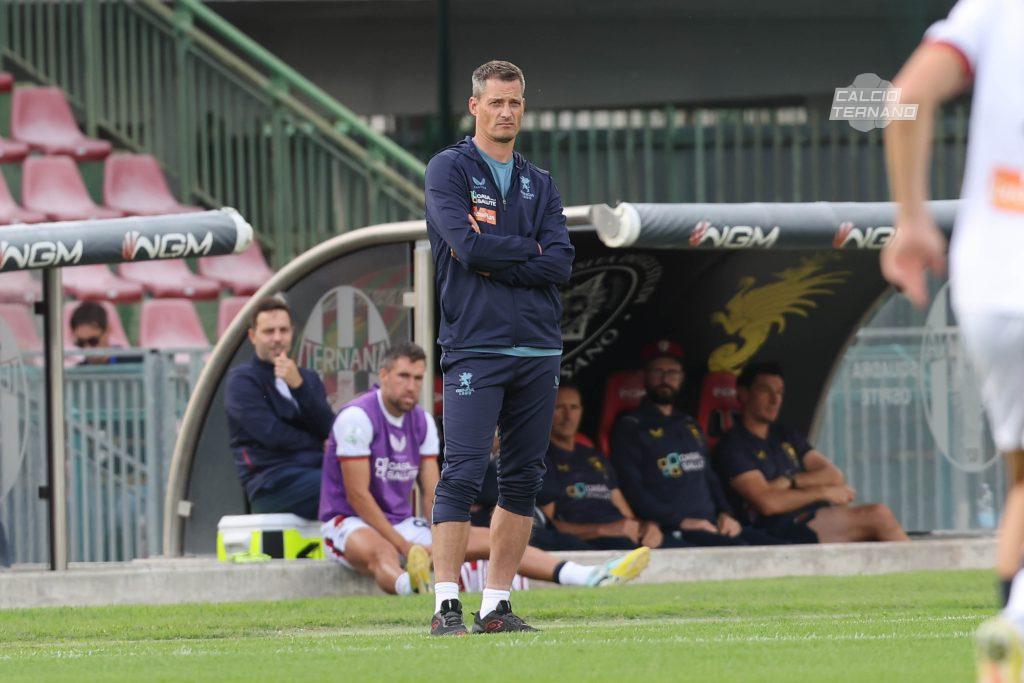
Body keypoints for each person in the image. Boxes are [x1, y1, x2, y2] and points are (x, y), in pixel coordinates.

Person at [425, 59, 638, 636]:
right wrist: (527, 256)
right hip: (473, 345)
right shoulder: (447, 169)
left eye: (514, 102)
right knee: (463, 473)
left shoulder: (539, 181)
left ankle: (495, 605)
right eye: (495, 101)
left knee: (522, 480)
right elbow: (466, 250)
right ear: (474, 106)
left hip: (539, 351)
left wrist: (506, 256)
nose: (505, 112)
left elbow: (563, 262)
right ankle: (446, 603)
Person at [880, 3, 1024, 675]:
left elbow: (904, 96)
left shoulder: (993, 8)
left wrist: (911, 218)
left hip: (991, 276)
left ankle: (1010, 630)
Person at [320, 342, 649, 602]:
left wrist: (439, 539)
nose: (412, 386)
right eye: (404, 376)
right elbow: (358, 496)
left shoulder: (421, 421)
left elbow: (434, 493)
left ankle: (586, 576)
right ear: (384, 375)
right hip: (349, 520)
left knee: (491, 539)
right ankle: (412, 586)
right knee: (380, 550)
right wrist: (407, 547)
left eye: (418, 378)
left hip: (402, 524)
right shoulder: (357, 418)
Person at [716, 362, 908, 545]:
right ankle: (928, 576)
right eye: (765, 391)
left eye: (780, 392)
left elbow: (834, 476)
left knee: (874, 529)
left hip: (812, 516)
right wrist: (822, 491)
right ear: (743, 394)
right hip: (779, 529)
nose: (775, 400)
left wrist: (790, 481)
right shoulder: (734, 445)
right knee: (878, 515)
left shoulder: (785, 435)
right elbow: (768, 504)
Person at [609, 341, 777, 547]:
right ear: (645, 376)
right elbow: (632, 490)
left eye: (672, 373)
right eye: (657, 372)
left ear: (681, 378)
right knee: (740, 553)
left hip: (713, 524)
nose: (665, 379)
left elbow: (709, 476)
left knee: (776, 546)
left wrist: (726, 514)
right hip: (674, 529)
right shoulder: (630, 427)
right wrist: (680, 521)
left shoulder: (689, 424)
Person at [224, 296, 334, 520]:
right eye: (268, 331)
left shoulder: (307, 378)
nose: (277, 338)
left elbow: (329, 428)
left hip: (315, 472)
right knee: (346, 487)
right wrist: (318, 445)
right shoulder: (243, 380)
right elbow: (273, 435)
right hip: (271, 482)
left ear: (292, 333)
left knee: (366, 480)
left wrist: (299, 387)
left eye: (283, 330)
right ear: (252, 336)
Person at [544, 382, 685, 550]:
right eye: (559, 407)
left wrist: (647, 527)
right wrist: (602, 530)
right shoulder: (542, 458)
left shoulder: (593, 456)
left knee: (688, 552)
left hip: (624, 535)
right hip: (588, 542)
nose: (568, 416)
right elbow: (546, 526)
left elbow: (627, 515)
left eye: (574, 407)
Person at [69, 301, 140, 365]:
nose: (87, 348)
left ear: (107, 331)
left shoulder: (137, 364)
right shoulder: (78, 374)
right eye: (81, 343)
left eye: (93, 341)